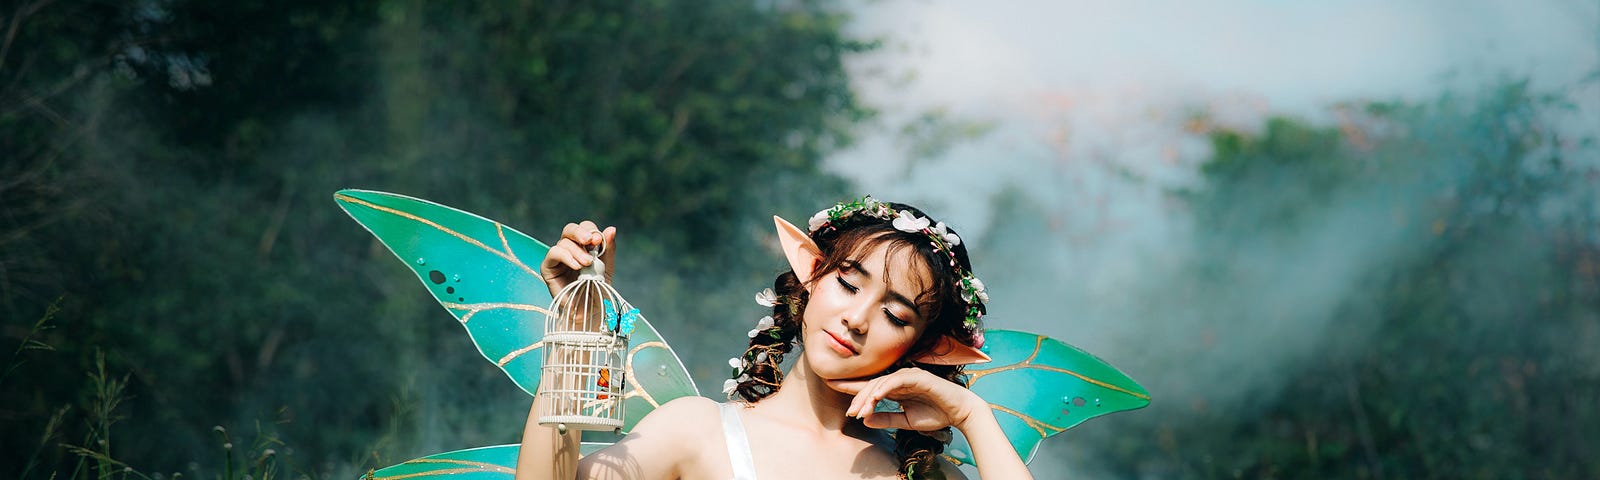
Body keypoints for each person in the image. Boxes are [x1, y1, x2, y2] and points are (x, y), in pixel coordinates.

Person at [515, 197, 1032, 479]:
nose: (856, 318)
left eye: (895, 316)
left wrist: (971, 416)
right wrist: (576, 334)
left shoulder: (922, 476)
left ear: (922, 349)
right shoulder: (696, 430)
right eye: (848, 284)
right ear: (810, 278)